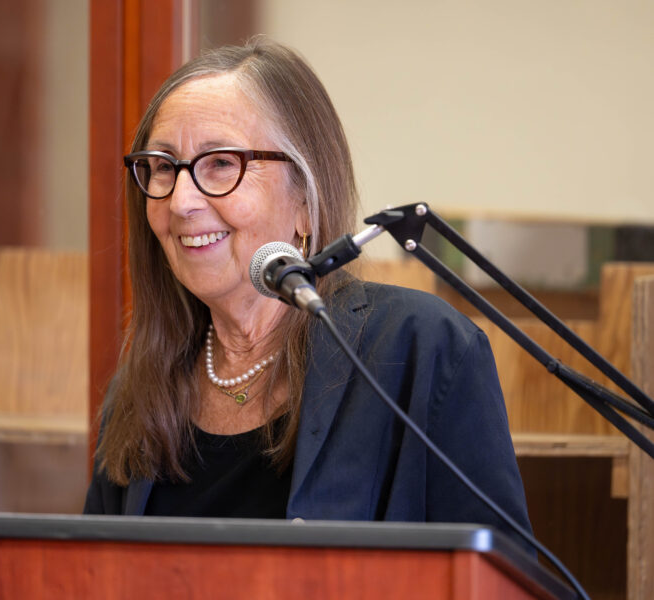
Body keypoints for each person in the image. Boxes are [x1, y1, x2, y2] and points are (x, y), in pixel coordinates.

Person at [84, 38, 532, 545]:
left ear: (304, 199)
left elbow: (499, 578)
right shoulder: (138, 391)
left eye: (221, 163)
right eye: (164, 167)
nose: (182, 201)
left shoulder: (420, 349)